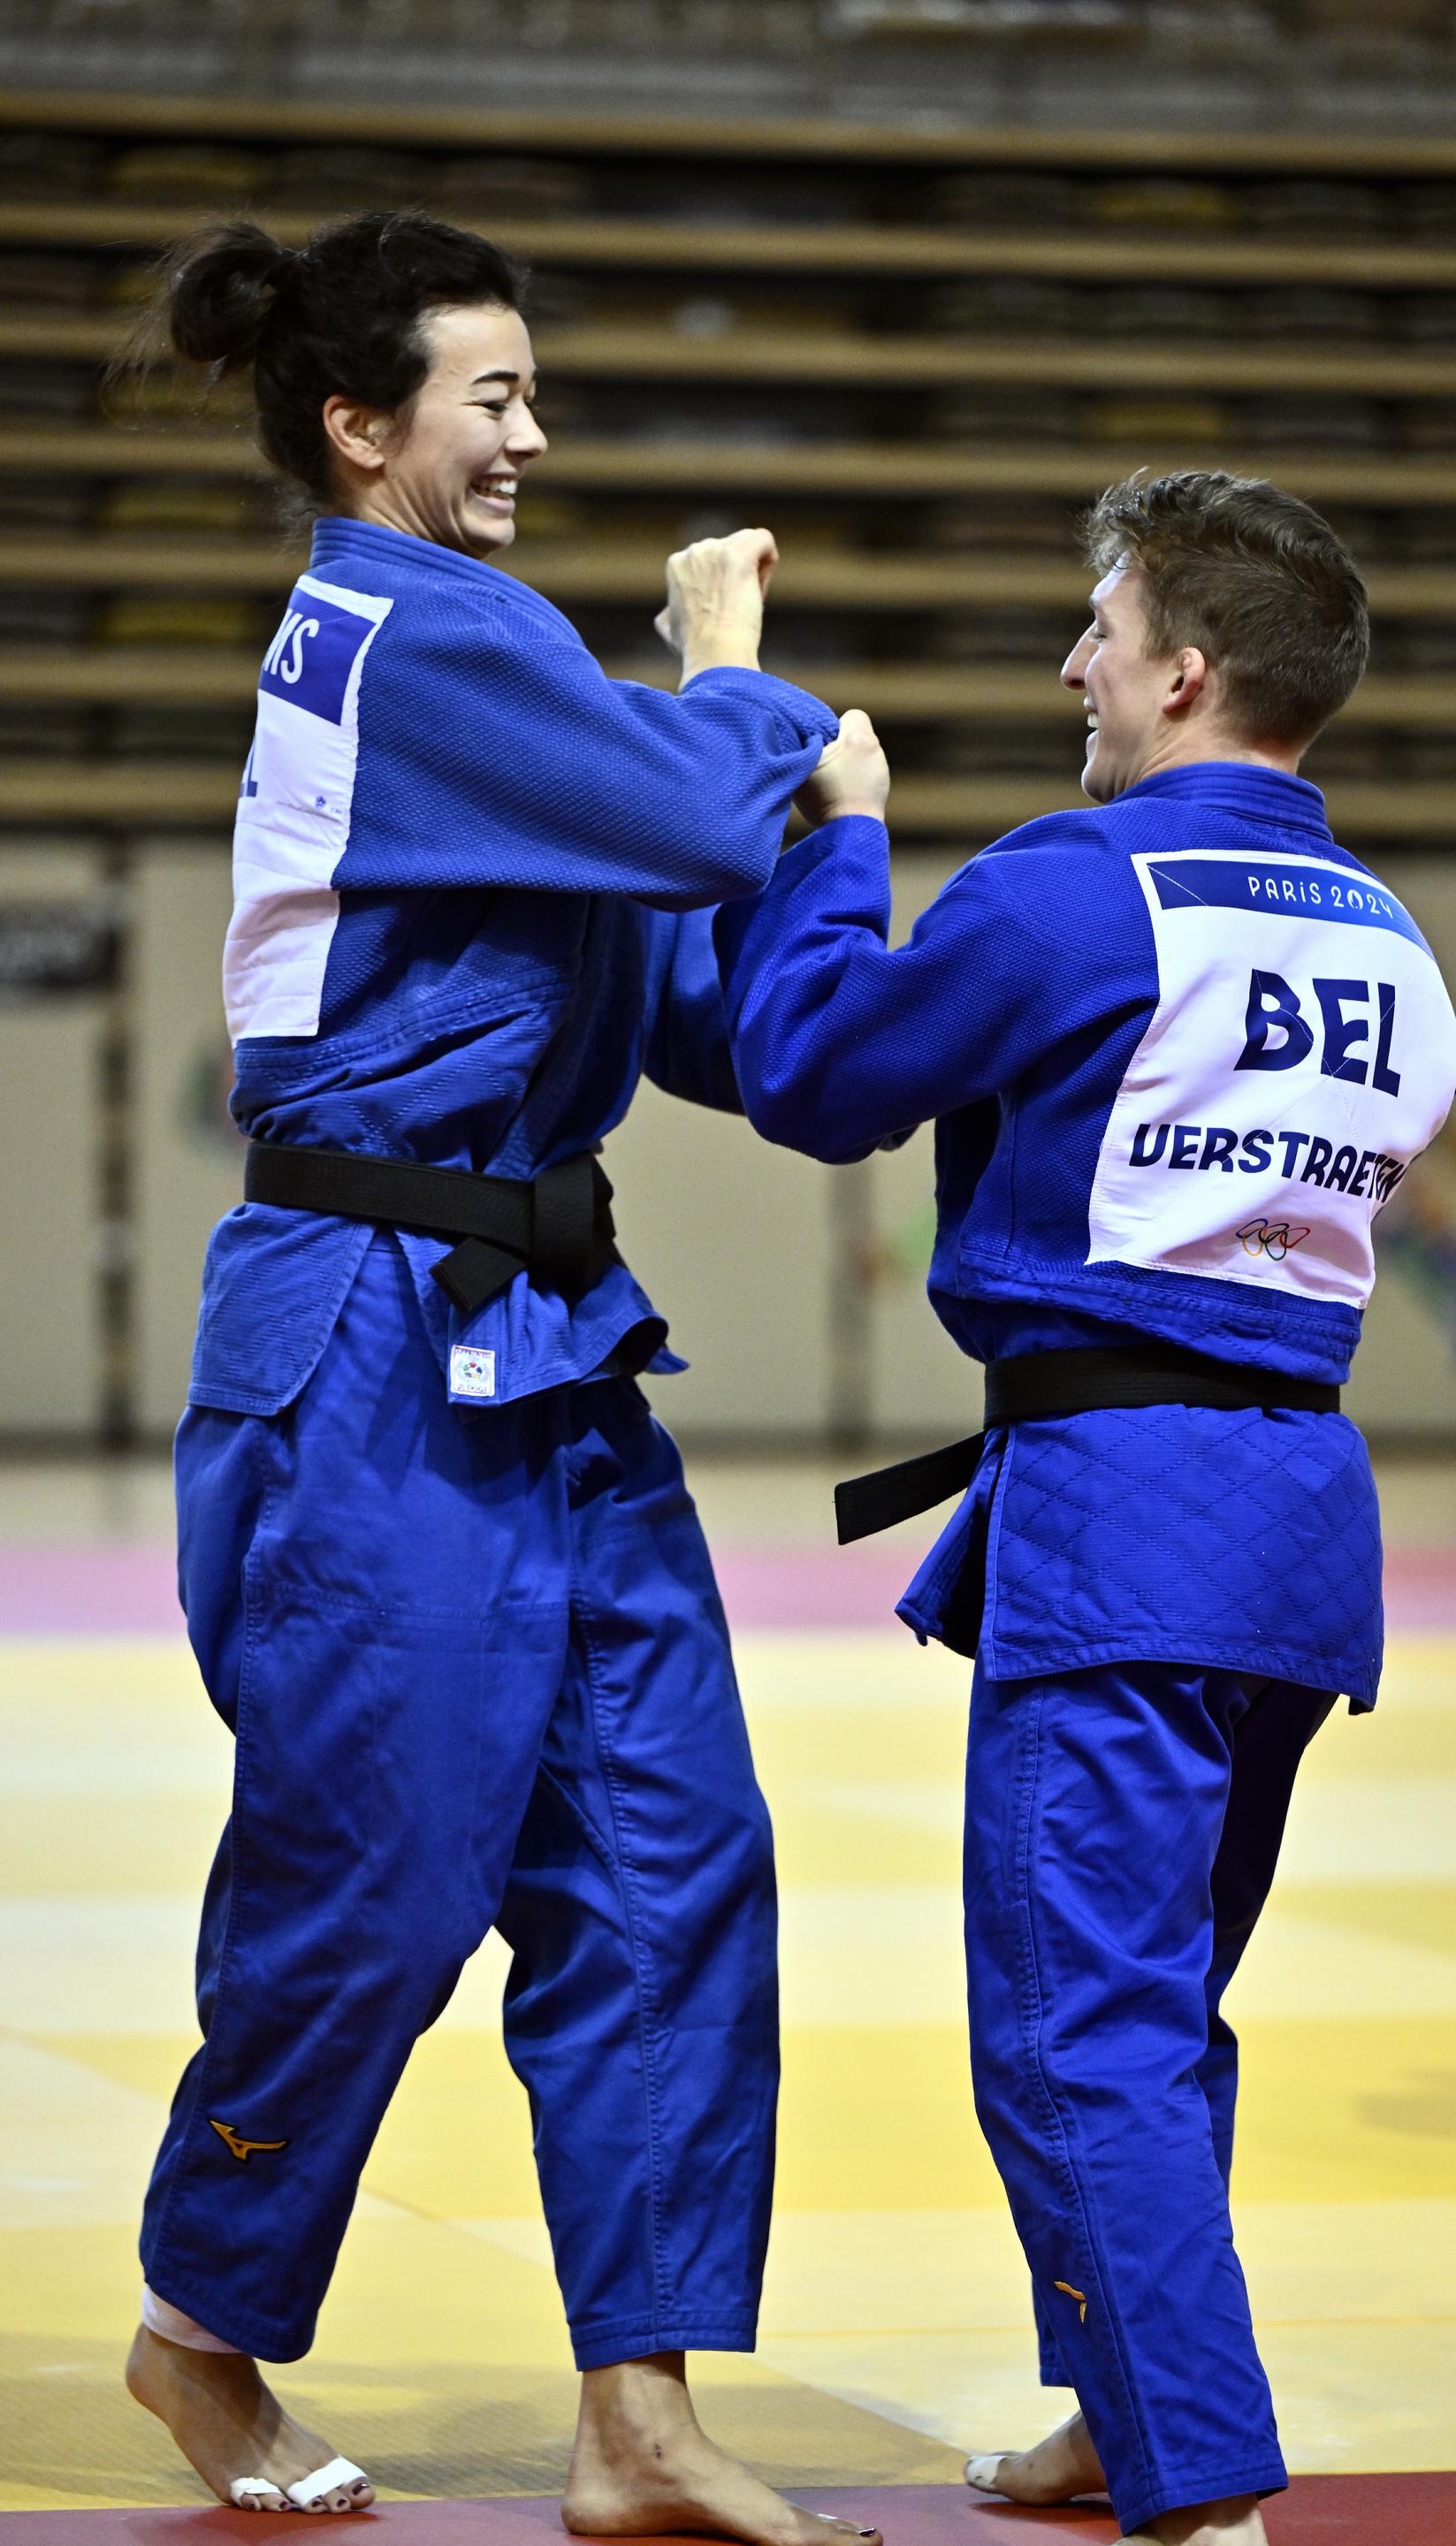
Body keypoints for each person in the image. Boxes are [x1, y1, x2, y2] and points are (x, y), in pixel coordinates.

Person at [118, 210, 875, 2546]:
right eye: (496, 397)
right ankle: (201, 2331)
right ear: (366, 429)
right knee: (381, 1873)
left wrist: (869, 957)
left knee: (669, 1861)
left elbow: (689, 1008)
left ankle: (637, 2419)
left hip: (554, 1350)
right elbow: (679, 806)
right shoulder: (398, 626)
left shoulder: (490, 661)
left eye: (534, 393)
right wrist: (731, 664)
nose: (535, 433)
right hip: (357, 1348)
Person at [717, 471, 1456, 2546]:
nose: (1075, 666)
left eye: (1102, 633)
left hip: (1123, 1519)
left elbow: (815, 1074)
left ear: (1189, 669)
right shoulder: (1392, 940)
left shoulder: (1081, 885)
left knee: (1076, 2031)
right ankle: (1118, 2403)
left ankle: (1199, 2478)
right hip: (1300, 1528)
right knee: (1156, 2011)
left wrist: (837, 835)